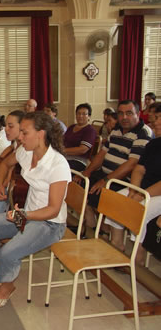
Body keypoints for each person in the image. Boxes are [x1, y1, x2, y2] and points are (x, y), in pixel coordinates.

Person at [0, 111, 70, 308]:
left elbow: (53, 209)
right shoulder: (26, 152)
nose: (20, 136)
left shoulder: (58, 164)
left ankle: (7, 286)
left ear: (41, 134)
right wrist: (0, 183)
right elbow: (4, 165)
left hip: (50, 224)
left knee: (9, 252)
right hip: (27, 216)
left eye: (24, 133)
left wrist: (24, 215)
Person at [74, 100, 152, 235]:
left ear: (138, 114)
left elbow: (131, 164)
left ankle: (103, 228)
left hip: (124, 180)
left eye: (129, 113)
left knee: (97, 191)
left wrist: (105, 181)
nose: (124, 117)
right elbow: (102, 154)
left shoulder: (143, 133)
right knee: (78, 182)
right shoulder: (116, 130)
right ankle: (93, 223)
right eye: (121, 114)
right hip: (105, 174)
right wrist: (87, 171)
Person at [104, 105, 161, 266]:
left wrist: (142, 194)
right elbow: (139, 169)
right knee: (116, 200)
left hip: (157, 193)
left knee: (139, 210)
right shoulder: (153, 144)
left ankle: (138, 257)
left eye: (157, 119)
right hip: (143, 189)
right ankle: (117, 244)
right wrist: (133, 190)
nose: (154, 123)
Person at [63, 103, 97, 171]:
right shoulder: (71, 127)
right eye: (78, 113)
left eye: (84, 114)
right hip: (65, 157)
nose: (80, 116)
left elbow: (82, 149)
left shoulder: (90, 130)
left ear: (89, 116)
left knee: (57, 168)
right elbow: (62, 141)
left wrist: (62, 150)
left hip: (79, 160)